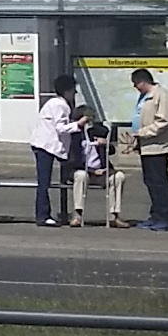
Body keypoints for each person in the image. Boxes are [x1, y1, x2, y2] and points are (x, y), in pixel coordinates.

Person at [129, 67, 168, 231]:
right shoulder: (145, 97)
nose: (135, 87)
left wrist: (144, 132)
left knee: (159, 182)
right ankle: (155, 215)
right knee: (150, 181)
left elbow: (164, 121)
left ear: (142, 81)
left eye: (136, 83)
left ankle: (165, 217)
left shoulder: (161, 95)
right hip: (147, 146)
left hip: (157, 146)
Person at [30, 76, 79, 226]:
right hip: (46, 146)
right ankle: (43, 215)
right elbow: (61, 128)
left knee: (47, 180)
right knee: (44, 181)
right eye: (73, 90)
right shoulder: (60, 105)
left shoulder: (53, 103)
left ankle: (54, 212)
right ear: (67, 90)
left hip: (46, 145)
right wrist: (79, 124)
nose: (74, 93)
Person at [66, 103, 122, 226]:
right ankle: (78, 214)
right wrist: (91, 171)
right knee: (80, 176)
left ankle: (114, 215)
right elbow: (72, 160)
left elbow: (111, 150)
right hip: (84, 170)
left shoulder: (99, 132)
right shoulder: (74, 135)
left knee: (118, 177)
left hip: (101, 171)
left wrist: (105, 143)